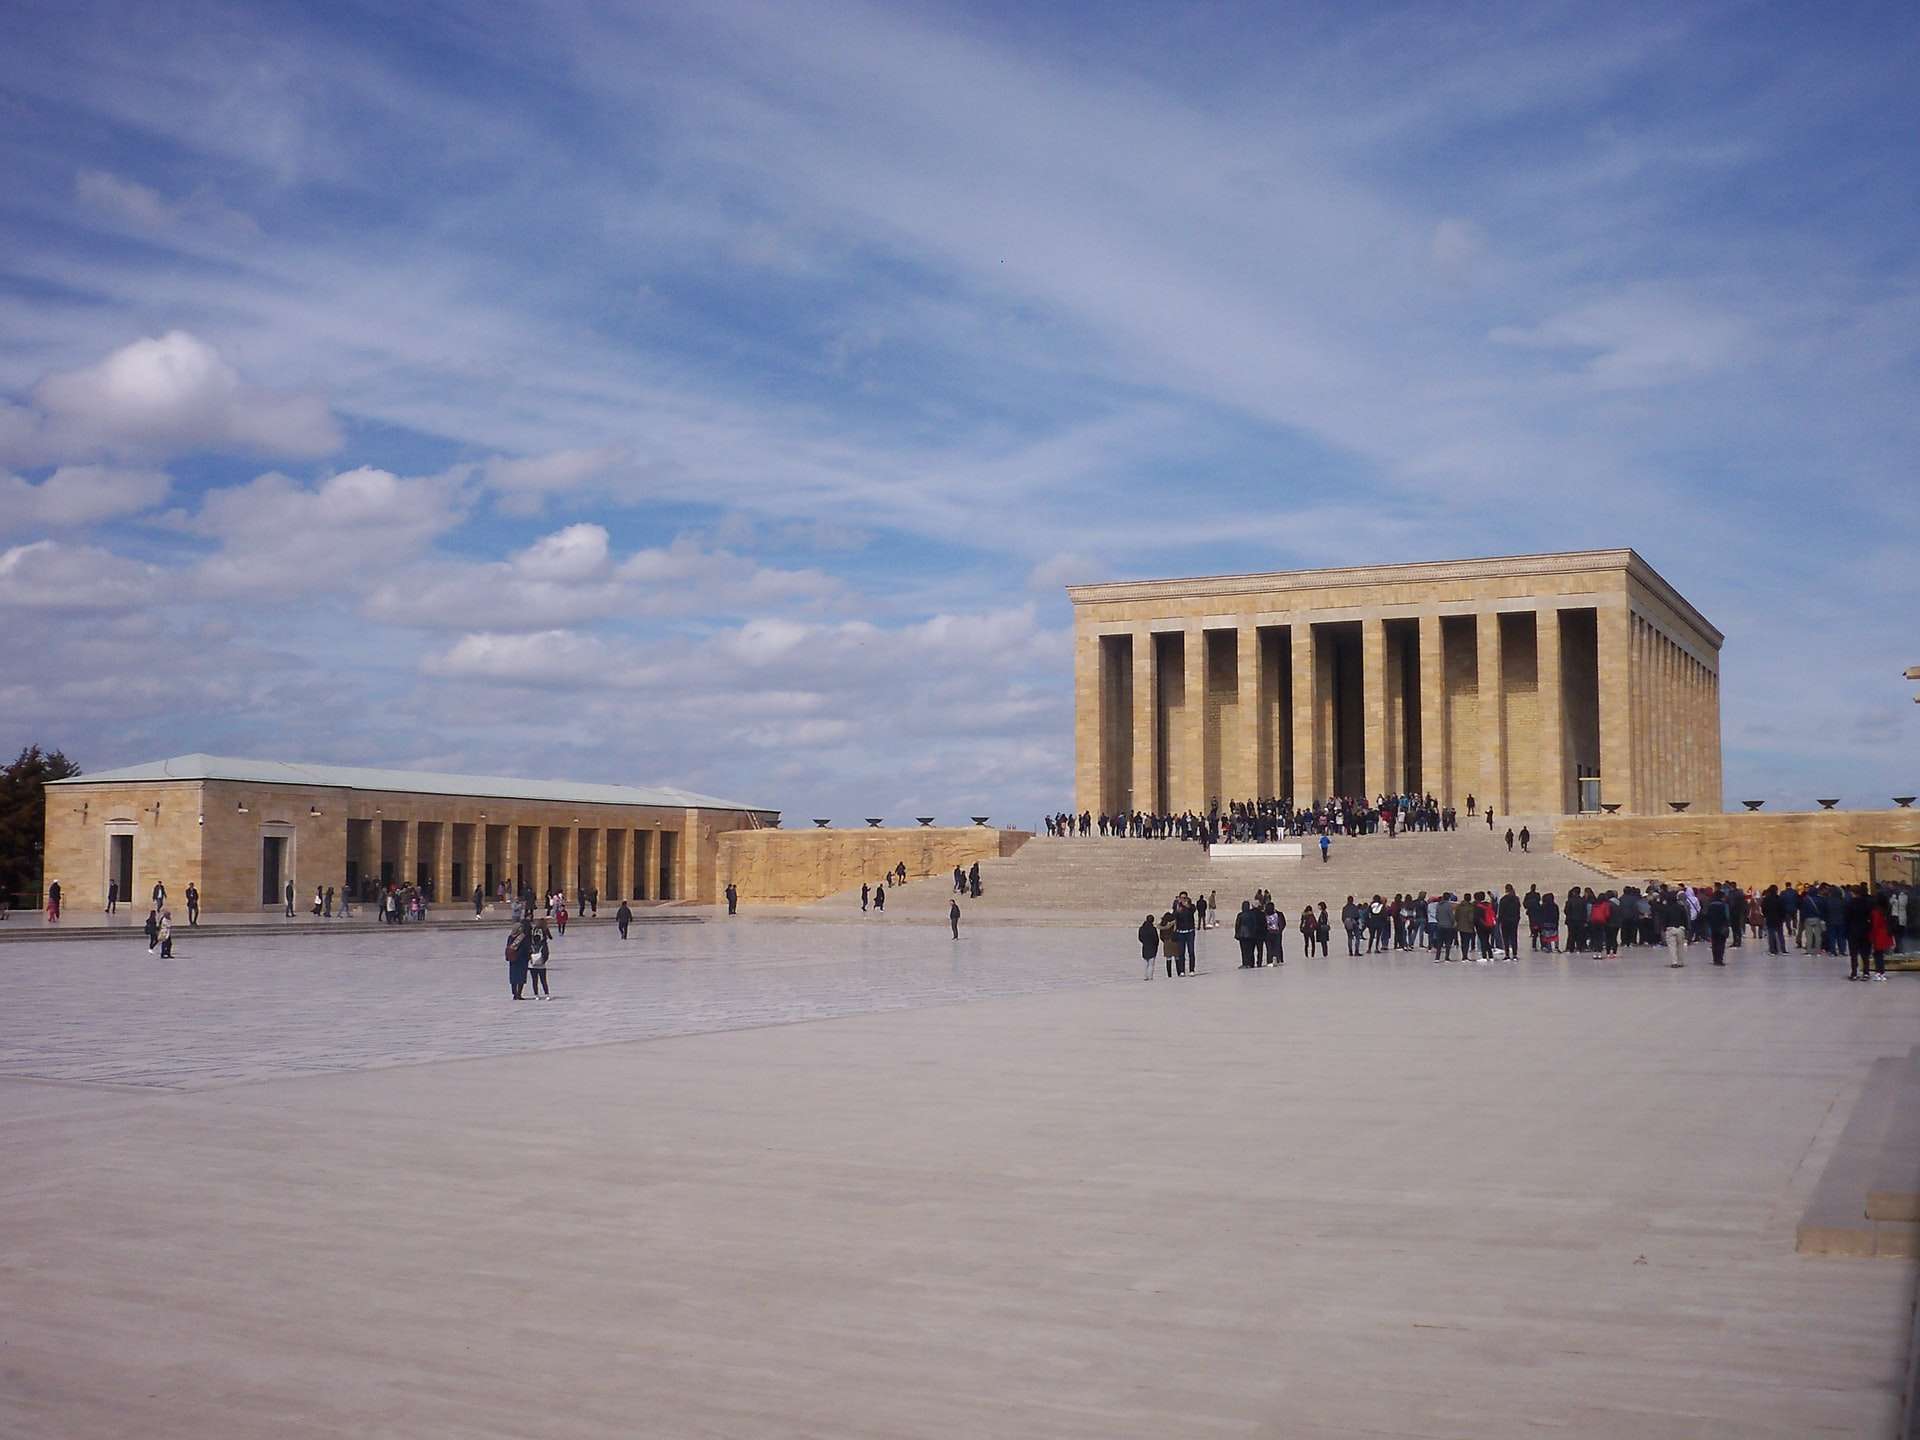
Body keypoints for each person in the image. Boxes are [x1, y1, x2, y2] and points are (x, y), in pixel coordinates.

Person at [1661, 887, 1689, 968]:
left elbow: (1664, 919)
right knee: (1680, 946)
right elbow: (1685, 918)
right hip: (1680, 928)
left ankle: (1674, 962)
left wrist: (1663, 928)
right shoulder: (1681, 907)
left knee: (1672, 947)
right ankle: (1680, 962)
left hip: (1670, 928)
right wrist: (1686, 928)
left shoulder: (1666, 908)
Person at [1704, 886, 1731, 965]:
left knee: (1714, 944)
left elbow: (1707, 916)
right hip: (1722, 927)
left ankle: (1715, 959)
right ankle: (1720, 960)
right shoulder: (1724, 905)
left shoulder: (1711, 905)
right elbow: (1727, 916)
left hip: (1713, 927)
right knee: (1721, 944)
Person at [506, 923, 531, 1000]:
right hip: (522, 959)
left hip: (513, 959)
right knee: (521, 976)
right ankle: (518, 994)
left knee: (514, 976)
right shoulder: (523, 937)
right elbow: (526, 948)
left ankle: (515, 993)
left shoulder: (510, 937)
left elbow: (508, 947)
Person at [1234, 901, 1260, 968]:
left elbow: (1237, 925)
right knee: (1250, 950)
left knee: (1243, 950)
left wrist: (1237, 933)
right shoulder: (1252, 914)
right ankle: (1250, 963)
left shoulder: (1240, 915)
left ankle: (1245, 963)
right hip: (1250, 935)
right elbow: (1254, 924)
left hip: (1242, 935)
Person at [528, 924, 551, 998]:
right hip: (542, 966)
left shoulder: (530, 946)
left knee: (535, 981)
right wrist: (543, 961)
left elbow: (527, 954)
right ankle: (547, 994)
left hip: (533, 966)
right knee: (543, 980)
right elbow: (546, 954)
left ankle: (536, 995)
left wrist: (531, 960)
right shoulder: (543, 945)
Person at [1157, 911, 1181, 978]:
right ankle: (1179, 972)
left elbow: (1161, 936)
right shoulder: (1174, 923)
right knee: (1177, 958)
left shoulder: (1162, 924)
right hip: (1175, 942)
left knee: (1168, 959)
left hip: (1167, 942)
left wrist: (1164, 940)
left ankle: (1169, 974)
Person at [1139, 914, 1159, 979]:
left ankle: (1145, 976)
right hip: (1152, 947)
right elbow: (1156, 939)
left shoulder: (1141, 928)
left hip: (1145, 946)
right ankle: (1150, 976)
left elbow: (1140, 938)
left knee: (1145, 963)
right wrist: (1156, 945)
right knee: (1151, 964)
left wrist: (1144, 942)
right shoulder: (1153, 929)